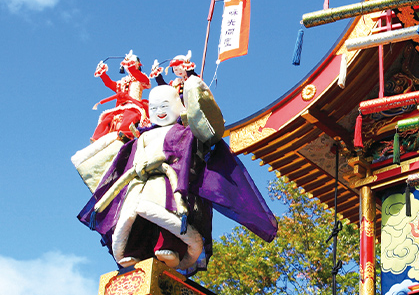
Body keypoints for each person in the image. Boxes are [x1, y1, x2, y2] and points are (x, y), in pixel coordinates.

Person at [77, 77, 277, 276]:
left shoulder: (185, 132)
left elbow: (203, 141)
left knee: (168, 216)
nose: (160, 112)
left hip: (170, 183)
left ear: (177, 106)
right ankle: (133, 251)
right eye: (154, 108)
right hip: (140, 183)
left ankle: (171, 248)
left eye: (165, 106)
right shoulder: (142, 136)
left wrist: (197, 102)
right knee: (136, 219)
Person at [91, 51, 151, 141]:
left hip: (134, 105)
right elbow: (109, 83)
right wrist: (103, 74)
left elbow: (137, 75)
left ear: (138, 65)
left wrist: (130, 66)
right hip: (120, 107)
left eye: (133, 63)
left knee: (129, 115)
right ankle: (97, 137)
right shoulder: (122, 82)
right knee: (108, 118)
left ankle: (126, 133)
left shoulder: (140, 79)